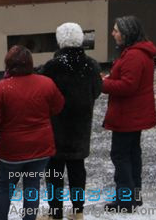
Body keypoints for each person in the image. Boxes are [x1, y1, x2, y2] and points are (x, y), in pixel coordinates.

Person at [0, 46, 64, 220]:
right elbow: (58, 106)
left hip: (12, 151)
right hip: (40, 147)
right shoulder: (46, 83)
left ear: (8, 65)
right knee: (32, 188)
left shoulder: (1, 89)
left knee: (6, 189)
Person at [37, 23, 102, 220]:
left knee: (55, 171)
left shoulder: (51, 67)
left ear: (60, 40)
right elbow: (97, 90)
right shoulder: (91, 65)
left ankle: (55, 212)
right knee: (77, 169)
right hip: (81, 126)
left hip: (56, 126)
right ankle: (78, 211)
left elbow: (43, 95)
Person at [101, 16, 156, 212]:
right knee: (133, 156)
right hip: (135, 114)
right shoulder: (138, 53)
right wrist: (111, 78)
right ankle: (135, 196)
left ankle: (125, 201)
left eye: (116, 30)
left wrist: (103, 84)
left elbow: (127, 86)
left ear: (126, 34)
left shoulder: (133, 55)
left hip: (127, 115)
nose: (113, 33)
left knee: (121, 156)